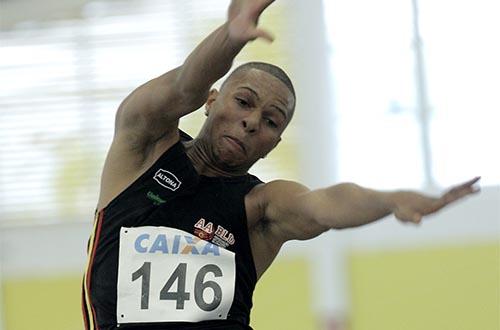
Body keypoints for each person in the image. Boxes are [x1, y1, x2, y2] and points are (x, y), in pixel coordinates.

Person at [81, 0, 480, 329]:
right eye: (243, 101)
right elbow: (185, 82)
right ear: (212, 100)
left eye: (271, 121)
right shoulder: (143, 148)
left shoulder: (259, 207)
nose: (252, 121)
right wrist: (229, 36)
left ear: (273, 145)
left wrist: (389, 201)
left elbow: (326, 205)